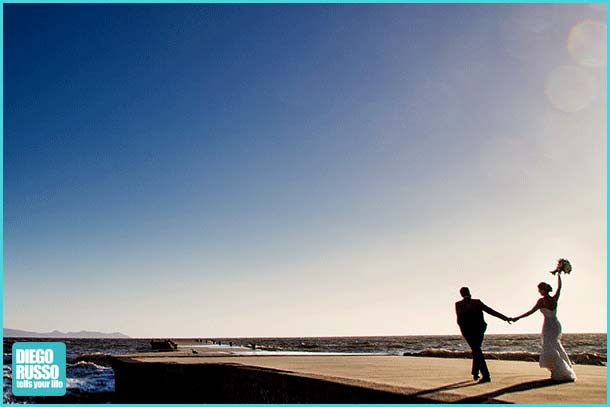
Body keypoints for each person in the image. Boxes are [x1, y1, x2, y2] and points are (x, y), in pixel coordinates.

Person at [510, 273, 576, 381]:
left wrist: (517, 318)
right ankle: (557, 369)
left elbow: (530, 312)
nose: (538, 292)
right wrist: (559, 275)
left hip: (548, 326)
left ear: (543, 290)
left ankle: (557, 369)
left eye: (539, 289)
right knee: (555, 345)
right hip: (556, 324)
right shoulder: (554, 298)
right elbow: (560, 287)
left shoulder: (541, 301)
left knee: (549, 346)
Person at [455, 287, 511, 383]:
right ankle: (475, 372)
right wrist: (505, 318)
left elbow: (459, 320)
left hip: (468, 331)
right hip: (479, 329)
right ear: (469, 292)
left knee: (476, 350)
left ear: (461, 294)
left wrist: (463, 333)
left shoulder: (458, 304)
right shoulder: (477, 302)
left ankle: (486, 375)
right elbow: (490, 311)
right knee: (477, 350)